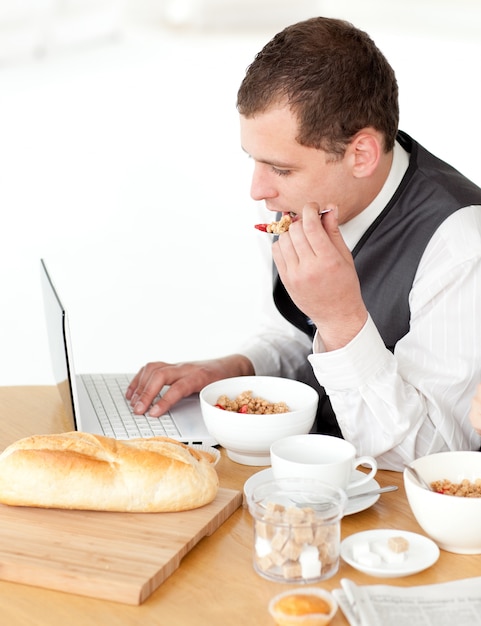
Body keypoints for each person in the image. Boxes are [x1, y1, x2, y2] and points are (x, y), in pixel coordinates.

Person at [126, 16, 481, 471]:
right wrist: (236, 369)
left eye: (281, 168)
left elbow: (435, 458)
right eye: (254, 161)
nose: (258, 190)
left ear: (361, 155)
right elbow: (301, 334)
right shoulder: (295, 202)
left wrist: (342, 318)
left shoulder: (459, 244)